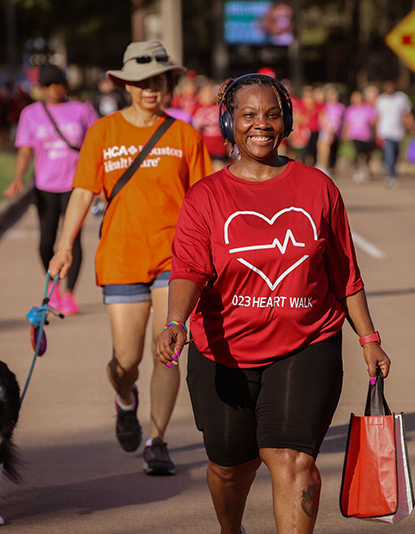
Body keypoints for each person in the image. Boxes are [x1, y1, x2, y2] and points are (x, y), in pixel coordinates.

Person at [155, 73, 391, 534]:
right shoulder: (206, 196)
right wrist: (175, 321)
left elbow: (344, 272)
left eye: (271, 114)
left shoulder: (317, 188)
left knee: (292, 460)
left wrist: (369, 338)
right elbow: (188, 268)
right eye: (248, 115)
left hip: (307, 341)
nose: (261, 124)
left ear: (285, 122)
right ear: (229, 121)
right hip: (223, 350)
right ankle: (231, 530)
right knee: (229, 465)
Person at [48, 41, 212, 475]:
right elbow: (82, 192)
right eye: (141, 82)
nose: (150, 89)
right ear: (126, 86)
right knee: (126, 362)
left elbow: (204, 199)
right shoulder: (102, 132)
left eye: (158, 80)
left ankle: (157, 440)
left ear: (168, 82)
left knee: (168, 352)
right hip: (120, 258)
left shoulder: (184, 135)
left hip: (174, 261)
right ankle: (125, 399)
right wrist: (64, 246)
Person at [5, 64, 98, 316]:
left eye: (59, 84)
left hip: (75, 186)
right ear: (41, 88)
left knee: (72, 239)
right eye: (48, 85)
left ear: (66, 85)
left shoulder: (82, 110)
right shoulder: (30, 113)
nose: (55, 90)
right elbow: (25, 149)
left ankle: (69, 294)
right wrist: (17, 178)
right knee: (46, 241)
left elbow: (96, 144)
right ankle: (53, 286)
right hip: (44, 186)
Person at [375, 80, 415, 186]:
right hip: (385, 131)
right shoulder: (381, 100)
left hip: (398, 132)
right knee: (389, 153)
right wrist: (376, 131)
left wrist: (412, 125)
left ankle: (390, 169)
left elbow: (407, 113)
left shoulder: (401, 98)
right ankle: (391, 175)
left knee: (395, 154)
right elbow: (378, 116)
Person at [343, 89, 377, 183]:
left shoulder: (368, 108)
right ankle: (360, 170)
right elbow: (347, 123)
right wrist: (345, 134)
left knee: (367, 154)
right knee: (359, 153)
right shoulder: (350, 110)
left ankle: (366, 169)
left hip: (367, 136)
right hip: (355, 135)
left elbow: (373, 121)